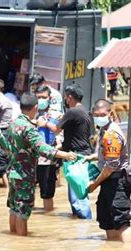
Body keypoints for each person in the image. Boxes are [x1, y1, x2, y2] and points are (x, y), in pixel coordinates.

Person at [7, 93, 77, 236]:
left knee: (14, 208)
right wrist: (65, 155)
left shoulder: (13, 124)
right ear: (35, 107)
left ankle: (13, 242)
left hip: (13, 173)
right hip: (24, 175)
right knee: (22, 211)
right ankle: (21, 245)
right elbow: (42, 148)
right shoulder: (28, 128)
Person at [86, 99, 131, 243]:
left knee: (121, 222)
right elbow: (105, 155)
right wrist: (91, 157)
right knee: (106, 219)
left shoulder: (112, 134)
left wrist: (94, 184)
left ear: (110, 113)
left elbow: (111, 166)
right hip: (108, 180)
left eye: (102, 114)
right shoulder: (103, 130)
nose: (98, 117)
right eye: (96, 115)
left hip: (117, 180)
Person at [42, 84, 93, 219]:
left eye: (66, 97)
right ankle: (80, 223)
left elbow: (56, 129)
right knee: (78, 191)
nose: (65, 99)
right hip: (82, 154)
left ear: (70, 97)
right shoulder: (84, 111)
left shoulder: (72, 112)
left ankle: (84, 224)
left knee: (77, 196)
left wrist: (44, 123)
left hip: (75, 156)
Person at [35, 85, 63, 211]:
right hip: (31, 160)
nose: (41, 100)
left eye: (43, 97)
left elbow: (61, 137)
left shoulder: (57, 116)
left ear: (49, 98)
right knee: (27, 194)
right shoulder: (32, 113)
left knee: (47, 194)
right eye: (38, 97)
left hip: (47, 160)